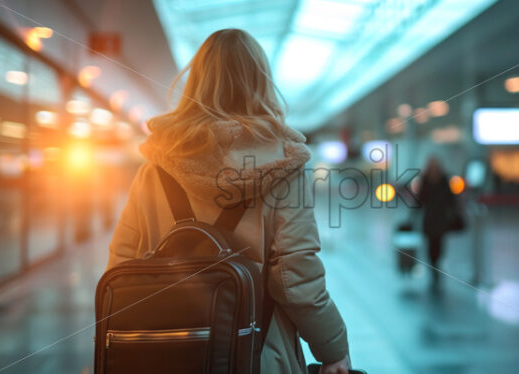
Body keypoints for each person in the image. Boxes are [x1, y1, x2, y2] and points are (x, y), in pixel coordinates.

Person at [107, 29, 350, 374]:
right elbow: (296, 279)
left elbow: (121, 267)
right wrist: (333, 350)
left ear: (197, 82)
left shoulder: (155, 168)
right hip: (256, 354)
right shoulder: (284, 167)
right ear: (260, 81)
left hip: (165, 354)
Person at [417, 157, 461, 292]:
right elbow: (419, 200)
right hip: (430, 218)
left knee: (440, 243)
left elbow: (451, 198)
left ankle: (437, 265)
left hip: (441, 218)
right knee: (431, 245)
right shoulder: (424, 179)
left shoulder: (444, 179)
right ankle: (433, 267)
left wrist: (454, 211)